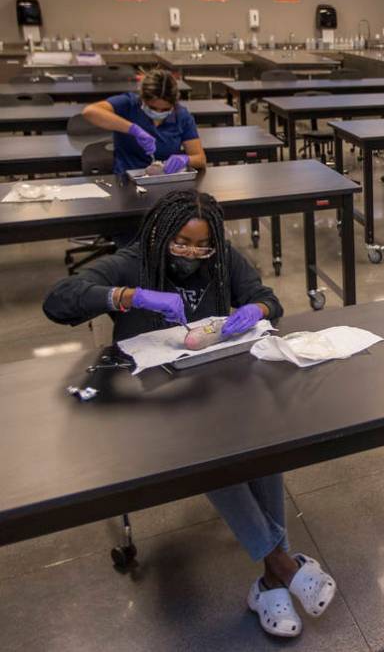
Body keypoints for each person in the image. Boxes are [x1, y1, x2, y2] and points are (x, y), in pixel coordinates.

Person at [43, 190, 335, 639]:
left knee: (261, 443)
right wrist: (131, 296)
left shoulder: (220, 259)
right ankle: (279, 563)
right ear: (161, 233)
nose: (192, 254)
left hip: (218, 386)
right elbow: (59, 300)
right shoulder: (134, 261)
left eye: (202, 245)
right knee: (212, 454)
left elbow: (266, 298)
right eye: (181, 243)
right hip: (156, 402)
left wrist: (253, 310)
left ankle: (273, 579)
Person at [81, 68, 206, 176]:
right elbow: (90, 112)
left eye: (165, 109)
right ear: (142, 99)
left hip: (165, 180)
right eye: (152, 108)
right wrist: (134, 130)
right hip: (127, 180)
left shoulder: (181, 116)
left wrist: (185, 160)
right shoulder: (128, 104)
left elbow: (200, 159)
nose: (158, 112)